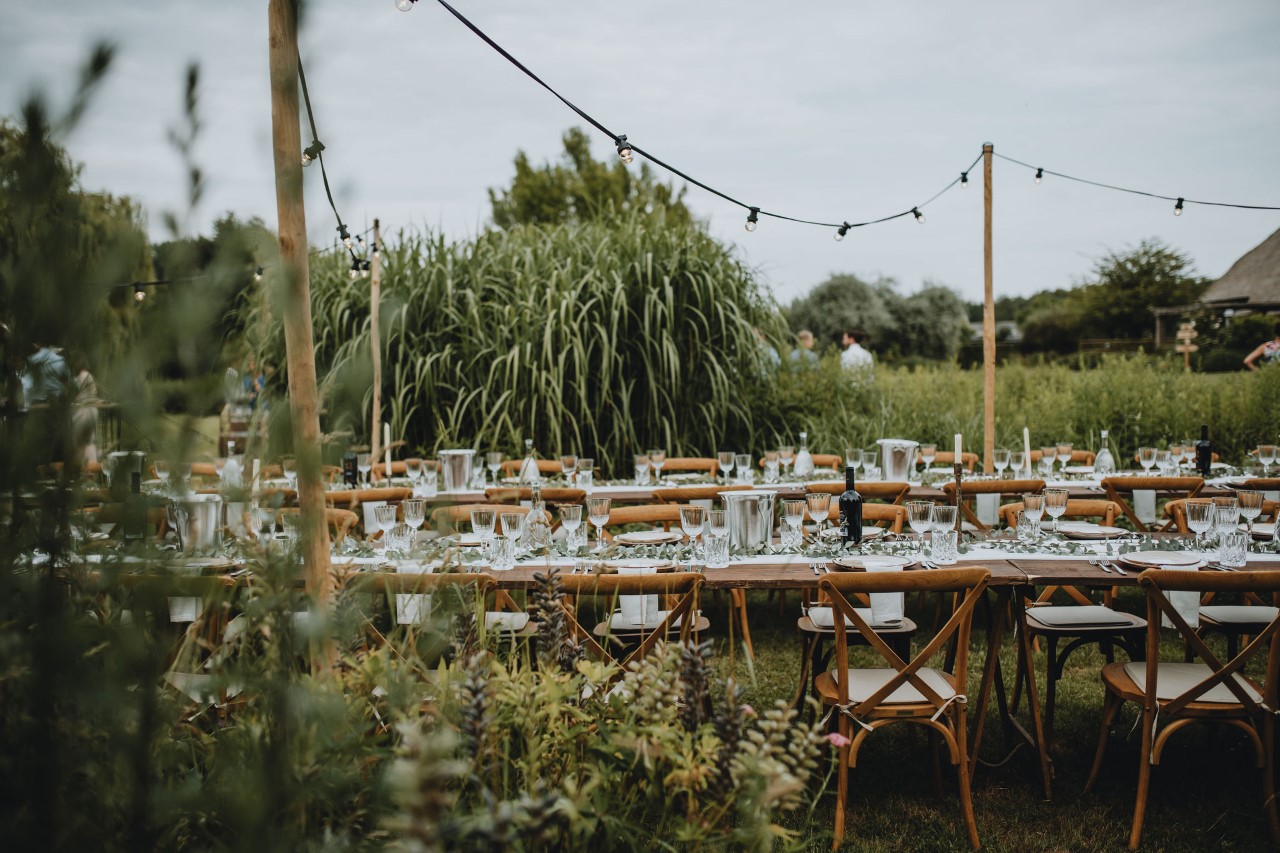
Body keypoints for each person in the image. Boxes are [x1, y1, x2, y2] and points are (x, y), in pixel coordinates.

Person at [70, 350, 99, 464]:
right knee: (87, 441)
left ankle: (87, 469)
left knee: (84, 441)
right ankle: (86, 469)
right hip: (86, 410)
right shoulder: (85, 375)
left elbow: (74, 393)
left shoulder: (83, 375)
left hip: (84, 411)